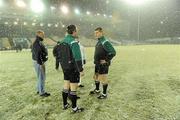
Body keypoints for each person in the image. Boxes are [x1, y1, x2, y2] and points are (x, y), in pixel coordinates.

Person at [59, 25, 84, 113]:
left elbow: (57, 54)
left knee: (65, 87)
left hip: (65, 68)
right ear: (73, 31)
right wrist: (80, 70)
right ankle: (74, 108)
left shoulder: (61, 41)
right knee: (73, 89)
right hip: (73, 68)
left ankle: (65, 104)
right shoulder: (73, 42)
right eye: (76, 31)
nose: (77, 32)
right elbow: (77, 58)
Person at [90, 27, 116, 99]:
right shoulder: (99, 41)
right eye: (95, 33)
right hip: (97, 63)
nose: (96, 34)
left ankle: (104, 94)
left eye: (97, 33)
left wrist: (106, 60)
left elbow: (113, 52)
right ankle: (97, 90)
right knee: (96, 77)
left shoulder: (105, 41)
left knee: (103, 79)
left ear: (101, 33)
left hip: (103, 64)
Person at [32, 30, 50, 97]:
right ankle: (42, 92)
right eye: (42, 35)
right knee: (42, 77)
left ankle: (39, 89)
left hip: (38, 62)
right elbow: (38, 54)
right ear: (38, 34)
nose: (43, 36)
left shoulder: (38, 42)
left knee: (40, 77)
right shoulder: (37, 43)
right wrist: (41, 63)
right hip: (39, 62)